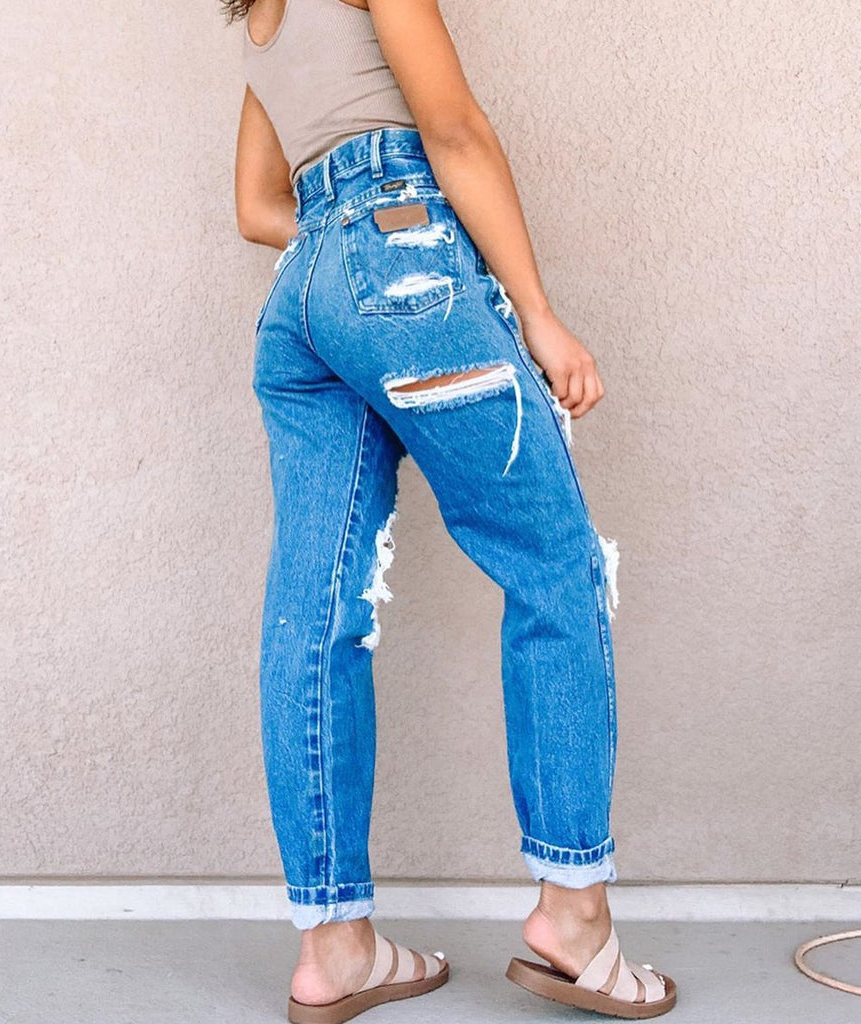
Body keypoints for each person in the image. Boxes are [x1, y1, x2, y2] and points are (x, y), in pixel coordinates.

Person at [230, 0, 677, 1020]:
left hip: (300, 308)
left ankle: (335, 948)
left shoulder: (259, 15)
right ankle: (574, 914)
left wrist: (337, 248)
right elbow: (455, 131)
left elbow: (257, 207)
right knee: (555, 566)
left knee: (315, 612)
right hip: (404, 260)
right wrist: (538, 314)